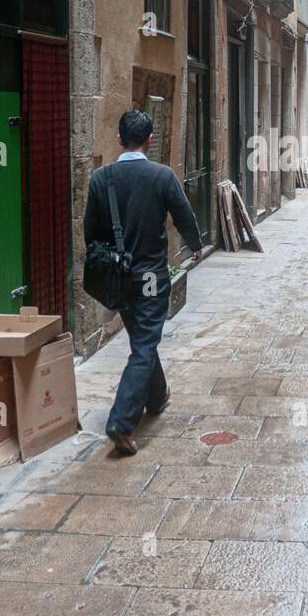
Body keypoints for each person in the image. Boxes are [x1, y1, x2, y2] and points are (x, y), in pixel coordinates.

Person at [84, 110, 203, 457]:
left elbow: (91, 235)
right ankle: (121, 421)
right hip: (150, 275)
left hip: (118, 278)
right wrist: (194, 247)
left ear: (119, 139)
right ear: (149, 140)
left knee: (142, 337)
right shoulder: (162, 176)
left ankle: (157, 396)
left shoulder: (100, 179)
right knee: (145, 343)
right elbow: (184, 215)